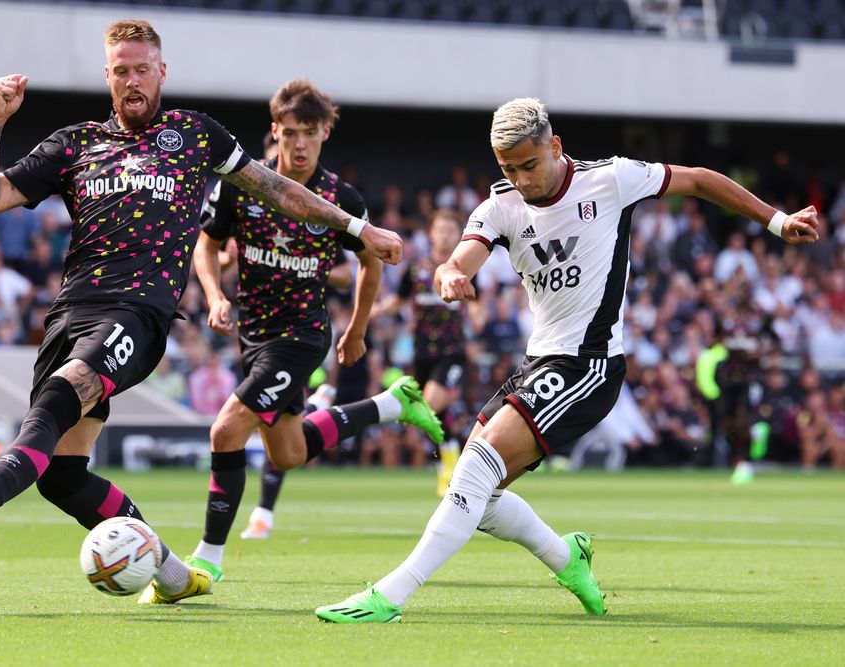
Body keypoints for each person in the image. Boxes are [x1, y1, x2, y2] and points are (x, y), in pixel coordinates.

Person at [0, 19, 403, 608]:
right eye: (121, 71)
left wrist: (356, 227)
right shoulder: (73, 144)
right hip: (70, 313)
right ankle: (173, 576)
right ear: (109, 77)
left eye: (143, 68)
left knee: (58, 399)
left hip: (138, 313)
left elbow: (277, 190)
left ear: (161, 72)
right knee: (62, 475)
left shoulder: (196, 135)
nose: (133, 80)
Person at [315, 97, 819, 623]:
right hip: (539, 364)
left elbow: (696, 179)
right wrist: (448, 275)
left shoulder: (612, 180)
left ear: (555, 146)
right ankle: (566, 556)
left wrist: (776, 220)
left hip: (591, 364)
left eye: (529, 165)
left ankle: (390, 596)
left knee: (472, 472)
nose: (522, 179)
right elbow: (460, 257)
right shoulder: (500, 207)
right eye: (508, 168)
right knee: (479, 496)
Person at [186, 79, 443, 571]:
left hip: (302, 336)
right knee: (288, 454)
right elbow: (207, 245)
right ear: (274, 132)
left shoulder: (338, 199)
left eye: (309, 132)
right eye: (290, 133)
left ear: (325, 132)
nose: (299, 144)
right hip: (253, 336)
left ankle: (208, 558)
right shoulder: (241, 185)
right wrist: (216, 294)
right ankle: (390, 405)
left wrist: (358, 328)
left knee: (225, 431)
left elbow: (370, 263)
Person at [374, 209, 481, 495]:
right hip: (422, 353)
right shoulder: (416, 268)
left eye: (450, 230)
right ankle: (452, 462)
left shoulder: (464, 269)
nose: (445, 235)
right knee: (434, 415)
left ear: (458, 236)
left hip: (453, 352)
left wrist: (479, 316)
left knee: (432, 405)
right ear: (431, 233)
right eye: (440, 229)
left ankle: (451, 467)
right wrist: (373, 312)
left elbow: (477, 303)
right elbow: (398, 300)